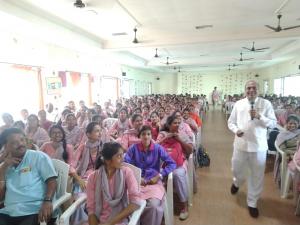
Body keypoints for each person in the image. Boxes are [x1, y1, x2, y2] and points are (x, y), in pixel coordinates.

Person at [228, 80, 276, 218]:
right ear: (245, 90)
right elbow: (231, 122)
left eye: (254, 88)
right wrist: (236, 130)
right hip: (241, 144)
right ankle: (237, 182)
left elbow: (273, 123)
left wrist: (260, 116)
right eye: (248, 88)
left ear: (258, 90)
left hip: (259, 146)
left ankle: (252, 202)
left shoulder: (266, 104)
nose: (251, 90)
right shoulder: (239, 104)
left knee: (257, 175)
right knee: (236, 168)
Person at [0, 128, 57, 225]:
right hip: (9, 211)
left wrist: (47, 201)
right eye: (14, 142)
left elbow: (52, 181)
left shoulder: (38, 157)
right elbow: (1, 196)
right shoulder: (5, 165)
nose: (21, 144)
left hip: (34, 210)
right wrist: (4, 167)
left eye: (22, 140)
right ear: (5, 147)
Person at [124, 125, 176, 225]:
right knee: (130, 203)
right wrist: (136, 178)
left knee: (154, 205)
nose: (146, 137)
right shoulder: (133, 149)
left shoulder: (158, 148)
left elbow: (172, 163)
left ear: (151, 136)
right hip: (136, 182)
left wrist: (160, 175)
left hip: (153, 182)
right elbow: (126, 165)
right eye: (143, 134)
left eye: (148, 134)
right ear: (139, 136)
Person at [86, 142, 141, 225]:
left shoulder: (127, 172)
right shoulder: (93, 178)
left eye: (123, 155)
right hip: (99, 219)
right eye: (119, 156)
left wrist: (109, 223)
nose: (123, 159)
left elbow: (135, 202)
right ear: (108, 160)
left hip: (120, 219)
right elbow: (91, 209)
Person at [157, 115, 193, 220]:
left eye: (178, 123)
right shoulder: (162, 134)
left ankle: (184, 206)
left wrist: (179, 140)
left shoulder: (182, 134)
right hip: (163, 164)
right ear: (168, 125)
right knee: (155, 174)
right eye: (174, 123)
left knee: (178, 174)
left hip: (179, 164)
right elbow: (153, 147)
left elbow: (190, 151)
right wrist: (165, 138)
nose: (177, 125)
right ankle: (160, 204)